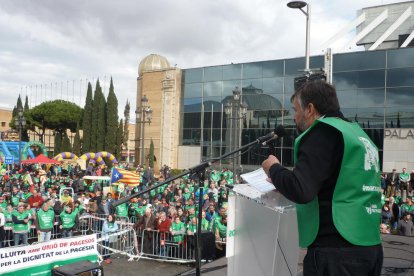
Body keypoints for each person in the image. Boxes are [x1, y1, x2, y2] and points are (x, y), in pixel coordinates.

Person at [262, 81, 383, 275]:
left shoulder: (322, 131)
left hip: (335, 251)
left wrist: (274, 169)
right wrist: (283, 182)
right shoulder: (357, 134)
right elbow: (334, 184)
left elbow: (302, 190)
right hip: (369, 244)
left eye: (296, 110)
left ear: (310, 109)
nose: (294, 117)